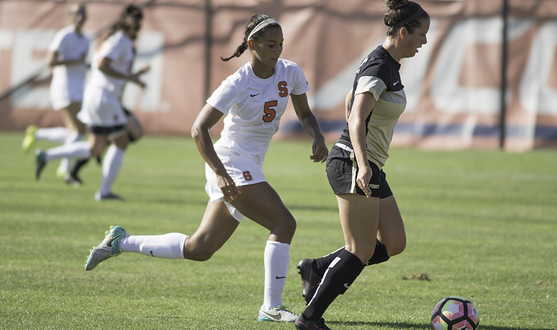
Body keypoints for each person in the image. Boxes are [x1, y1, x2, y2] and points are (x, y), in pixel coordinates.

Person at [83, 14, 329, 323]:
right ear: (252, 44)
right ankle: (272, 307)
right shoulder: (237, 82)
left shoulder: (289, 72)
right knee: (284, 224)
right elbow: (198, 129)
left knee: (200, 248)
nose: (277, 50)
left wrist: (317, 135)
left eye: (280, 44)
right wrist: (221, 173)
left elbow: (305, 114)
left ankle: (121, 241)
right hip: (229, 161)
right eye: (270, 44)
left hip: (248, 164)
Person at [294, 1, 430, 329]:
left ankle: (320, 267)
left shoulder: (387, 64)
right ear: (403, 32)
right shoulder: (380, 65)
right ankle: (310, 318)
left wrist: (368, 160)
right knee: (360, 250)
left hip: (367, 163)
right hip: (353, 163)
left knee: (394, 242)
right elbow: (356, 116)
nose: (424, 42)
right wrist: (362, 161)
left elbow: (349, 100)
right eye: (421, 35)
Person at [35, 5, 148, 200]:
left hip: (99, 96)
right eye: (133, 18)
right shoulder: (119, 39)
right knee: (121, 142)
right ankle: (104, 192)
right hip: (104, 97)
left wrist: (133, 77)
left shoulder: (121, 40)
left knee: (95, 148)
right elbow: (102, 64)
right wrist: (129, 77)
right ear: (125, 20)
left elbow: (109, 67)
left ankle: (46, 156)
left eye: (139, 18)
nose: (137, 22)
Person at [22, 3, 89, 182]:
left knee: (73, 132)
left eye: (82, 14)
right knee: (79, 130)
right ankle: (63, 169)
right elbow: (50, 61)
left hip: (78, 88)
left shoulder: (86, 39)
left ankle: (37, 134)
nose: (80, 18)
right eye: (76, 14)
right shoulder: (64, 35)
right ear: (70, 16)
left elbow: (80, 63)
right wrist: (75, 61)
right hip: (65, 88)